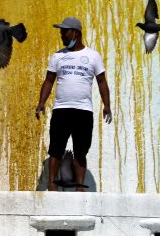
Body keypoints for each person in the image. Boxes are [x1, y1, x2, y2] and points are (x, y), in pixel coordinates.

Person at [35, 16, 112, 191]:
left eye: (65, 32)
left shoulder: (93, 56)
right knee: (56, 149)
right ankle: (52, 184)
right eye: (61, 32)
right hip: (61, 109)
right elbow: (49, 80)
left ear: (75, 33)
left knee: (81, 151)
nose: (62, 35)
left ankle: (80, 188)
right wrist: (41, 102)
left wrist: (107, 106)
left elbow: (101, 81)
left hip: (83, 111)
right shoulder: (57, 56)